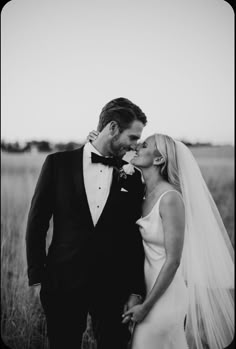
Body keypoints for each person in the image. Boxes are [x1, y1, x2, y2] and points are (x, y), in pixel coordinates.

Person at [25, 97, 147, 349]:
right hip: (62, 284)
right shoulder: (58, 164)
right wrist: (37, 278)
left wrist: (135, 290)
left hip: (114, 288)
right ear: (112, 128)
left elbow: (134, 236)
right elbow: (37, 224)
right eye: (133, 137)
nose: (136, 145)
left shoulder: (133, 177)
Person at [122, 134, 234, 349]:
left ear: (158, 160)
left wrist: (146, 307)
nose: (137, 147)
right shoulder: (143, 193)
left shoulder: (170, 198)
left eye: (144, 145)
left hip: (164, 296)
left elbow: (173, 260)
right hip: (145, 291)